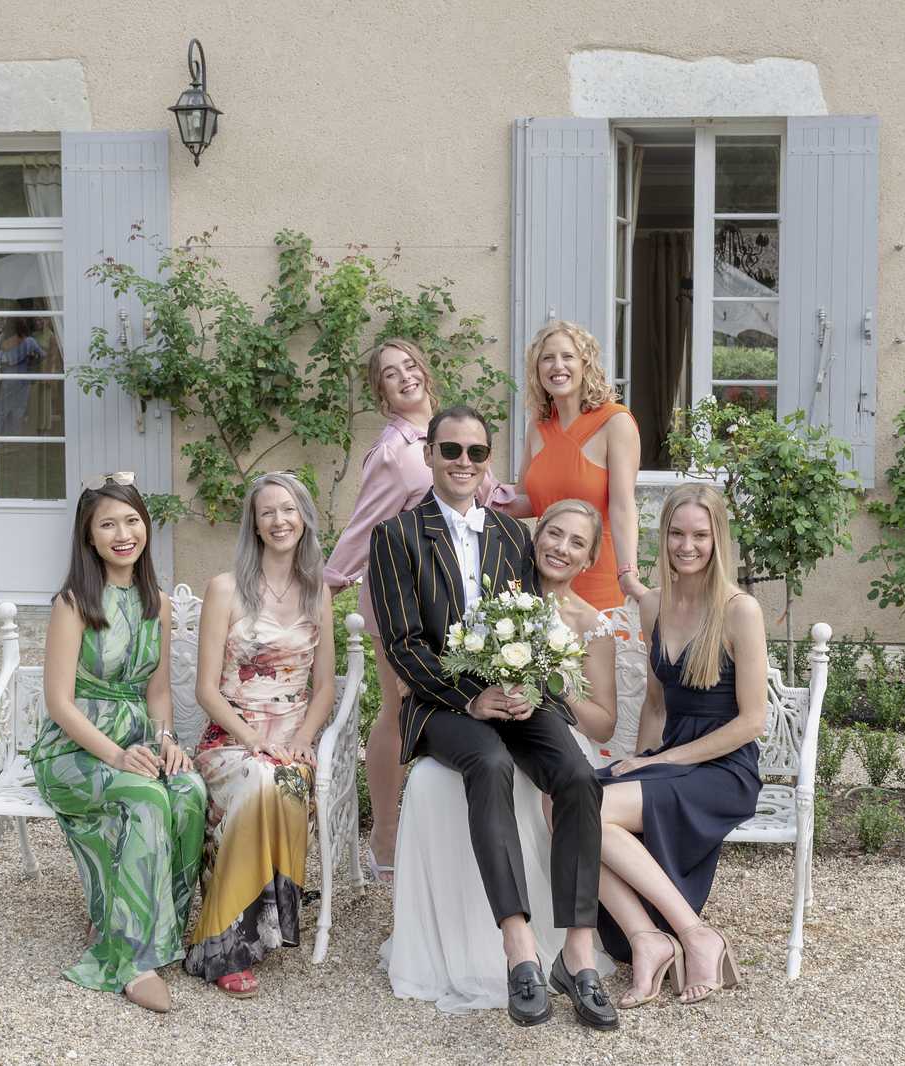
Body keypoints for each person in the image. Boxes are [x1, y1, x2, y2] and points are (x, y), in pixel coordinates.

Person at [367, 406, 617, 1030]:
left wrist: (528, 688)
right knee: (489, 760)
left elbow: (529, 624)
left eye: (476, 452)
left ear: (487, 461)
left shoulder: (511, 535)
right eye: (450, 450)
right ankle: (519, 947)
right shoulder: (396, 536)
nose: (463, 462)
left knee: (578, 776)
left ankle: (577, 954)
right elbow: (402, 644)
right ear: (429, 454)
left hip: (517, 693)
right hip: (442, 704)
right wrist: (471, 699)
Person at [323, 339, 516, 884]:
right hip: (400, 600)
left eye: (409, 365)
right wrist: (323, 588)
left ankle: (452, 835)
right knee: (400, 708)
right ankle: (385, 839)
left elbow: (493, 499)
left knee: (462, 703)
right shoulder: (393, 452)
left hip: (461, 599)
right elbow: (365, 529)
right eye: (390, 373)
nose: (404, 376)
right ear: (381, 393)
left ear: (425, 372)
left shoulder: (455, 434)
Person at [29, 472, 206, 1014]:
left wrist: (167, 739)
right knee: (146, 796)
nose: (123, 534)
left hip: (135, 741)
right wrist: (117, 754)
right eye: (107, 524)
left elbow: (157, 691)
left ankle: (152, 924)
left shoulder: (158, 602)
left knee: (189, 791)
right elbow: (59, 703)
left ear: (146, 527)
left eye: (132, 521)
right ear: (89, 536)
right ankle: (130, 957)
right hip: (73, 752)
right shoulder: (73, 603)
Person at [594, 483, 766, 1006]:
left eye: (699, 535)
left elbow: (752, 722)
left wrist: (665, 759)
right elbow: (655, 705)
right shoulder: (654, 605)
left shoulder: (740, 611)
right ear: (663, 535)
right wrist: (642, 761)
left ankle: (694, 934)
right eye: (676, 533)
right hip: (671, 761)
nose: (686, 546)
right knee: (559, 800)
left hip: (724, 769)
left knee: (591, 809)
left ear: (718, 540)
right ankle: (648, 940)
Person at [184, 472, 337, 998]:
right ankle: (224, 944)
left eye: (289, 509)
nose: (279, 520)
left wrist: (304, 739)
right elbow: (206, 690)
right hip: (231, 738)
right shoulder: (224, 589)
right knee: (258, 780)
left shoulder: (318, 593)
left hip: (291, 739)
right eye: (267, 511)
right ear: (253, 524)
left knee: (283, 780)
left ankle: (256, 930)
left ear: (304, 519)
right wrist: (252, 738)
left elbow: (323, 687)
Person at [510, 321, 644, 611]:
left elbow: (623, 506)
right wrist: (473, 490)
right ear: (537, 369)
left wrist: (628, 573)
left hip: (600, 570)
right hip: (549, 570)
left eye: (568, 356)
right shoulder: (538, 425)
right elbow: (526, 500)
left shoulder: (615, 422)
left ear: (586, 364)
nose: (557, 366)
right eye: (547, 358)